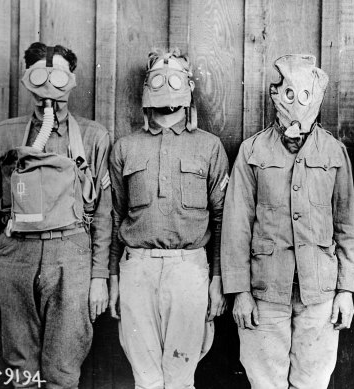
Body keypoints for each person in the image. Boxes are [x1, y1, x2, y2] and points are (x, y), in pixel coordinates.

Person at [0, 42, 112, 389]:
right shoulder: (5, 135)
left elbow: (105, 213)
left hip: (71, 257)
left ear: (72, 80)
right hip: (15, 258)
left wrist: (98, 277)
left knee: (63, 370)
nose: (48, 89)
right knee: (23, 371)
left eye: (58, 76)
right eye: (39, 75)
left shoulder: (94, 137)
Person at [221, 54, 354, 388]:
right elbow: (236, 226)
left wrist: (345, 290)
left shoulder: (333, 152)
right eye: (289, 93)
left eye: (306, 94)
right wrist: (239, 292)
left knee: (312, 382)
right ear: (275, 94)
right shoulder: (252, 152)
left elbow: (347, 226)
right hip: (265, 291)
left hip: (320, 293)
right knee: (265, 382)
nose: (297, 103)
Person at [108, 48, 230, 389]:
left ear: (188, 87)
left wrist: (217, 279)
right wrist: (114, 278)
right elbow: (115, 214)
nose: (166, 85)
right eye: (157, 79)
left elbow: (221, 219)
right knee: (145, 379)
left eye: (175, 77)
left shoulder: (209, 147)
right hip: (137, 270)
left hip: (189, 269)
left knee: (179, 378)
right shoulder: (125, 148)